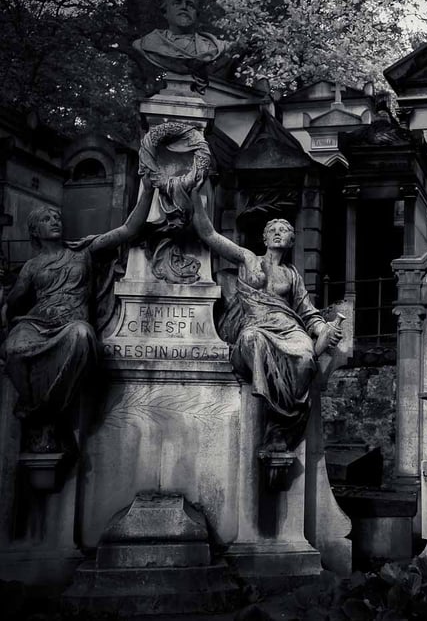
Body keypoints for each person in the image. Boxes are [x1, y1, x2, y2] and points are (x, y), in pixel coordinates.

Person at [1, 175, 154, 452]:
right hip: (36, 322)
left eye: (57, 217)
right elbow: (15, 303)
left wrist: (148, 187)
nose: (55, 220)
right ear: (35, 230)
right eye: (47, 219)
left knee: (82, 337)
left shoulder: (83, 252)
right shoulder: (31, 266)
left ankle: (46, 414)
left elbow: (129, 229)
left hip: (72, 322)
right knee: (13, 348)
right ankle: (33, 409)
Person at [191, 188, 341, 452]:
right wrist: (195, 198)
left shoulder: (292, 274)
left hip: (290, 329)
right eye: (272, 230)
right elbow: (209, 235)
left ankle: (281, 426)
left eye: (283, 229)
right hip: (256, 326)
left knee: (306, 361)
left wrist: (324, 329)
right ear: (264, 237)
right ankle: (274, 419)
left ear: (292, 240)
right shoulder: (248, 259)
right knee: (252, 341)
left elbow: (307, 312)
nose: (277, 232)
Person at [132, 0, 233, 83]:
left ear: (196, 15)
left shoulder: (214, 47)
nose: (184, 7)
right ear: (165, 12)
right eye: (177, 3)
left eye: (190, 5)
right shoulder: (147, 43)